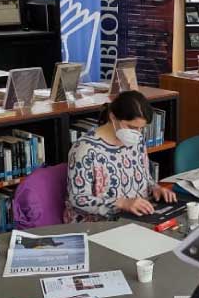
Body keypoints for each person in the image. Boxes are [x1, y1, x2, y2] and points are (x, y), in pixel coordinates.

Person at [64, 90, 176, 223]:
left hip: (137, 216)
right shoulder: (84, 150)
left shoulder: (136, 140)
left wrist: (155, 188)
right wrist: (121, 203)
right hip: (98, 223)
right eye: (132, 127)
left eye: (141, 128)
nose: (138, 133)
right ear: (113, 117)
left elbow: (145, 176)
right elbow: (78, 199)